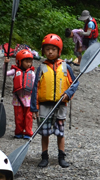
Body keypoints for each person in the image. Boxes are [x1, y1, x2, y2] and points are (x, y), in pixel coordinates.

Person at [30, 33, 76, 168]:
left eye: (53, 49)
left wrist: (69, 93)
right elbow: (35, 89)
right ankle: (44, 157)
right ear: (43, 51)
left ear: (59, 51)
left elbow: (74, 84)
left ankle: (61, 157)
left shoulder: (66, 67)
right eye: (47, 49)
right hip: (44, 105)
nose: (50, 52)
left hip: (60, 104)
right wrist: (34, 108)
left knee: (60, 133)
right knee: (45, 133)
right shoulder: (41, 68)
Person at [4, 49, 35, 139]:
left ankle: (28, 133)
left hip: (28, 100)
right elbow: (5, 74)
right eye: (26, 61)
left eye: (30, 62)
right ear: (19, 62)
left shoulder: (32, 73)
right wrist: (5, 64)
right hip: (17, 99)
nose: (29, 64)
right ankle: (19, 132)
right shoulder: (14, 71)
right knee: (19, 117)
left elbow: (35, 86)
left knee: (28, 118)